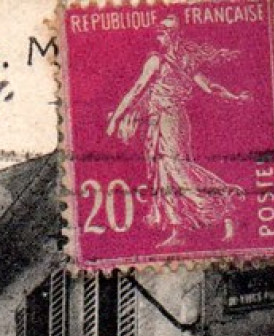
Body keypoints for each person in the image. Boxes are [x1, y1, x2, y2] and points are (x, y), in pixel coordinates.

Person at [105, 14, 251, 247]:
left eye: (164, 32)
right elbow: (138, 90)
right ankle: (178, 230)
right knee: (164, 173)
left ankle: (224, 206)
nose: (160, 36)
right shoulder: (167, 61)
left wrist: (116, 119)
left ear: (174, 35)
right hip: (160, 120)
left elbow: (137, 90)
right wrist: (235, 97)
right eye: (159, 32)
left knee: (177, 168)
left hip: (171, 119)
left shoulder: (174, 61)